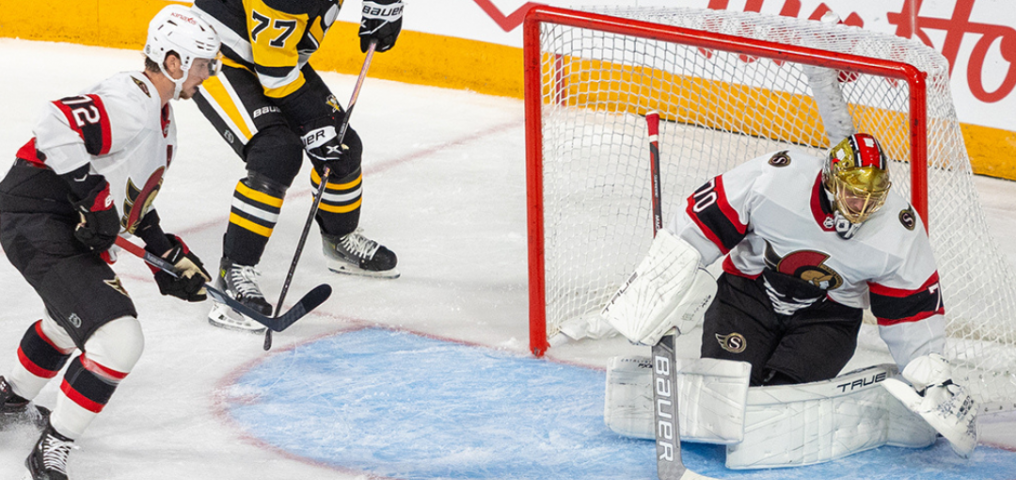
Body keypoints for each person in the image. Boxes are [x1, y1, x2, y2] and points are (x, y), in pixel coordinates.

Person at [604, 132, 976, 456]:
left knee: (782, 405)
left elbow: (912, 313)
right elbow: (704, 219)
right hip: (747, 296)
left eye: (871, 195)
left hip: (828, 319)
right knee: (727, 394)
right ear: (831, 179)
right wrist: (662, 280)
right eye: (853, 192)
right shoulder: (777, 179)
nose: (861, 206)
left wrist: (931, 376)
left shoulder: (898, 230)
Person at [0, 6, 220, 479]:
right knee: (118, 340)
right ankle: (50, 448)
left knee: (68, 322)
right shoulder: (133, 96)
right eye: (204, 64)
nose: (209, 74)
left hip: (60, 221)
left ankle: (8, 399)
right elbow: (55, 123)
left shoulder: (163, 125)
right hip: (37, 215)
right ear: (175, 61)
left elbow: (129, 204)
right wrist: (93, 197)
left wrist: (168, 254)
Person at [189, 0, 404, 333]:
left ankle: (339, 238)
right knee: (277, 153)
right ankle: (234, 274)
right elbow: (274, 77)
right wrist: (316, 123)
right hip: (218, 56)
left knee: (343, 148)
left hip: (276, 55)